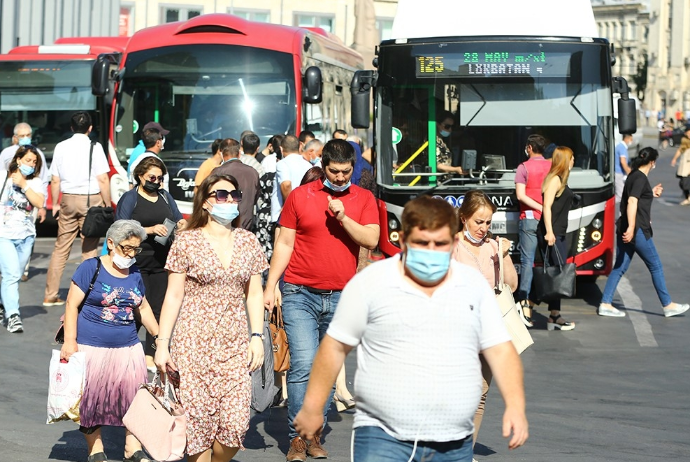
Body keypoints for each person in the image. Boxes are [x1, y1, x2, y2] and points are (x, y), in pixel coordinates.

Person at [293, 195, 528, 462]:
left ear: (453, 243)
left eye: (439, 244)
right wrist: (313, 406)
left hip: (451, 437)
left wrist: (516, 405)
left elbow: (501, 350)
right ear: (403, 241)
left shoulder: (473, 286)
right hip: (382, 434)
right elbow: (334, 347)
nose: (430, 252)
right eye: (421, 243)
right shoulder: (372, 283)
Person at [263, 139, 379, 461]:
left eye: (346, 172)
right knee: (302, 365)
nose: (341, 178)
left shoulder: (364, 198)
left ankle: (314, 434)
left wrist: (343, 218)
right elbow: (284, 243)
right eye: (334, 171)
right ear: (323, 165)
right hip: (300, 292)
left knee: (326, 369)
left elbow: (371, 239)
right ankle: (298, 439)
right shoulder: (301, 196)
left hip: (343, 296)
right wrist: (271, 285)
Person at [154, 173, 268, 462]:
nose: (229, 200)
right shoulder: (187, 241)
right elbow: (174, 295)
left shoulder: (248, 241)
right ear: (205, 201)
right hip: (193, 345)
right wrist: (162, 344)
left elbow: (254, 294)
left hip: (234, 345)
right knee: (198, 429)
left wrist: (257, 338)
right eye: (221, 195)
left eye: (234, 195)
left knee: (235, 424)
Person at [59, 219, 160, 462]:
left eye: (136, 249)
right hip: (91, 346)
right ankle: (96, 450)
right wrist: (69, 341)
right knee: (91, 401)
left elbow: (143, 307)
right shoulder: (90, 268)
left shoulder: (134, 271)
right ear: (111, 243)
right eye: (127, 248)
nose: (131, 254)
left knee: (135, 399)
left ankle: (132, 448)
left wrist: (161, 337)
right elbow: (72, 305)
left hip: (128, 346)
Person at [452, 190, 518, 450]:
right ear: (464, 218)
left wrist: (503, 256)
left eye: (488, 222)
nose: (484, 228)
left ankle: (464, 454)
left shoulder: (494, 246)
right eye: (479, 222)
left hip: (489, 330)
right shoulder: (451, 247)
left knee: (479, 394)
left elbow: (512, 284)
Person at [598, 147, 690, 318]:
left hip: (626, 227)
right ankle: (667, 305)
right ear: (652, 162)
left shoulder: (634, 175)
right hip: (637, 229)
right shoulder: (640, 178)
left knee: (620, 267)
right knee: (655, 265)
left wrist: (651, 193)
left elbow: (637, 198)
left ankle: (605, 303)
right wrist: (632, 228)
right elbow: (632, 202)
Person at [115, 156, 185, 370]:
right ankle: (122, 352)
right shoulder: (130, 198)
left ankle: (150, 355)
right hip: (136, 261)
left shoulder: (165, 196)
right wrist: (150, 230)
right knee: (133, 308)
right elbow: (120, 228)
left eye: (160, 178)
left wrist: (181, 224)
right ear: (140, 176)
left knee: (157, 309)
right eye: (152, 177)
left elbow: (178, 217)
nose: (156, 181)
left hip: (162, 262)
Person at [44, 111, 111, 307]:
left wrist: (56, 203)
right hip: (91, 201)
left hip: (67, 199)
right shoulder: (95, 147)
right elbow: (103, 179)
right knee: (89, 249)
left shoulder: (61, 147)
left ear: (71, 128)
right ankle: (86, 295)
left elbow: (55, 179)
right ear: (90, 128)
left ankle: (50, 294)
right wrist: (107, 203)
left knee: (61, 248)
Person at [0, 146, 45, 333]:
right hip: (4, 234)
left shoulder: (35, 182)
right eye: (28, 160)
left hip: (26, 235)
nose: (31, 165)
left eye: (34, 162)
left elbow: (39, 203)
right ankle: (13, 316)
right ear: (18, 160)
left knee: (15, 276)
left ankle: (3, 304)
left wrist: (24, 185)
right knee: (10, 275)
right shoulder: (3, 176)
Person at [0, 122, 50, 280]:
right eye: (22, 135)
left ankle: (23, 270)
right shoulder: (6, 153)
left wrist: (42, 205)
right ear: (15, 137)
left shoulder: (37, 154)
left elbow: (42, 180)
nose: (25, 138)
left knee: (26, 235)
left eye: (28, 135)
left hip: (29, 203)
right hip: (7, 206)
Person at [514, 134, 551, 326]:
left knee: (527, 261)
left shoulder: (523, 168)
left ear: (529, 148)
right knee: (546, 261)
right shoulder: (552, 166)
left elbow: (520, 195)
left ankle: (523, 301)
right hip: (548, 221)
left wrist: (538, 207)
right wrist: (546, 209)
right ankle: (545, 301)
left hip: (529, 217)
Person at [538, 147, 576, 330]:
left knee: (557, 273)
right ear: (565, 160)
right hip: (552, 233)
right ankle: (528, 305)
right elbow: (546, 207)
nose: (574, 160)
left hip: (558, 232)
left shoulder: (561, 180)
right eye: (572, 158)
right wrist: (549, 232)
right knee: (555, 273)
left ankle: (554, 315)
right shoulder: (554, 180)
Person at [212, 138, 260, 230]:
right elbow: (255, 198)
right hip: (246, 226)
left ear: (221, 153)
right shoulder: (253, 172)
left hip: (224, 227)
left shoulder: (217, 172)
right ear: (239, 154)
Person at [270, 135, 311, 226]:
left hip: (283, 215)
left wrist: (288, 206)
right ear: (300, 146)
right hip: (304, 213)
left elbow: (286, 184)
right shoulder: (308, 165)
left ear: (281, 149)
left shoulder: (282, 164)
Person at [434, 110, 464, 175]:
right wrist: (456, 169)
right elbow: (437, 164)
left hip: (446, 179)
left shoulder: (442, 141)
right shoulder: (432, 141)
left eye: (452, 127)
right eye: (447, 126)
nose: (450, 130)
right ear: (438, 124)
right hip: (437, 181)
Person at [670, 136, 690, 205]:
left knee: (686, 184)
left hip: (688, 167)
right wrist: (674, 159)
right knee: (682, 183)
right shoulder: (684, 141)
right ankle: (687, 197)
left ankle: (688, 198)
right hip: (684, 167)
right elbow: (679, 150)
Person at [615, 134, 633, 206]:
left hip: (619, 173)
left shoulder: (619, 146)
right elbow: (623, 162)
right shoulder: (622, 148)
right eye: (631, 139)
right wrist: (629, 173)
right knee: (620, 196)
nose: (631, 141)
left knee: (623, 195)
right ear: (627, 138)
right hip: (619, 173)